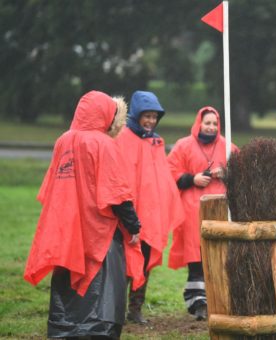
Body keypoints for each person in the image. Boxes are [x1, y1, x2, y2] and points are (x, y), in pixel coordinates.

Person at [23, 90, 145, 339]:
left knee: (66, 291)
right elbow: (118, 194)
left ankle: (64, 329)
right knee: (101, 295)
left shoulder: (63, 141)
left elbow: (51, 189)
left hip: (67, 233)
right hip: (99, 234)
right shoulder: (103, 144)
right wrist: (133, 226)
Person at [115, 91, 185, 324]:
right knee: (124, 264)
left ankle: (135, 309)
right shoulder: (122, 138)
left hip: (150, 215)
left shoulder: (156, 141)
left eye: (155, 116)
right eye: (147, 116)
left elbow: (160, 177)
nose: (151, 121)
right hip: (127, 214)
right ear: (136, 115)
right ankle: (115, 310)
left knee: (144, 264)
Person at [167, 106, 238, 321]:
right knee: (196, 255)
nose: (211, 127)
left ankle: (220, 299)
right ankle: (197, 301)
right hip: (192, 210)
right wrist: (192, 179)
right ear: (199, 123)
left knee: (220, 254)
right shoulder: (183, 145)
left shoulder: (228, 147)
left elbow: (242, 170)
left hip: (221, 208)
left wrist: (226, 173)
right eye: (207, 122)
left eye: (215, 123)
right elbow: (169, 172)